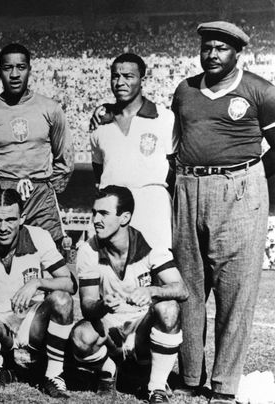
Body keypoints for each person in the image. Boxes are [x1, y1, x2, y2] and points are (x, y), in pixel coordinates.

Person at [170, 21, 275, 404]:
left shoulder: (260, 90)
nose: (212, 55)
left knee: (235, 294)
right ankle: (190, 377)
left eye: (221, 49)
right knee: (188, 290)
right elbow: (176, 144)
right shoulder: (184, 91)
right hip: (188, 187)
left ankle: (225, 385)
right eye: (207, 48)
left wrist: (247, 178)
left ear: (237, 53)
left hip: (239, 189)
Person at [0, 188, 76, 397]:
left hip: (32, 322)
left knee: (62, 300)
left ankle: (54, 374)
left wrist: (37, 282)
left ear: (22, 218)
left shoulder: (39, 237)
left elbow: (69, 284)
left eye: (10, 219)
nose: (3, 227)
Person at [73, 186, 188, 404]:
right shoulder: (88, 250)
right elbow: (87, 306)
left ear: (125, 217)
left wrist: (152, 290)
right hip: (110, 333)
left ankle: (156, 387)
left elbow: (181, 289)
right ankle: (108, 371)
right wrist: (102, 305)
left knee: (169, 308)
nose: (96, 219)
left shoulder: (150, 245)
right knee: (80, 336)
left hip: (141, 331)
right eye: (94, 213)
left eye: (104, 214)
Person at [0, 43, 73, 247]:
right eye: (8, 68)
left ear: (29, 70)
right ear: (0, 72)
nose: (15, 74)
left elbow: (65, 157)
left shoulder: (50, 109)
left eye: (21, 67)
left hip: (40, 193)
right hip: (3, 192)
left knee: (50, 256)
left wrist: (47, 187)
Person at [89, 53, 175, 250]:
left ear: (141, 79)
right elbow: (98, 169)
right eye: (115, 76)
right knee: (112, 272)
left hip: (152, 209)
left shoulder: (165, 118)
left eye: (128, 76)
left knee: (158, 271)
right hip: (113, 210)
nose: (120, 82)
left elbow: (174, 168)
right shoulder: (100, 123)